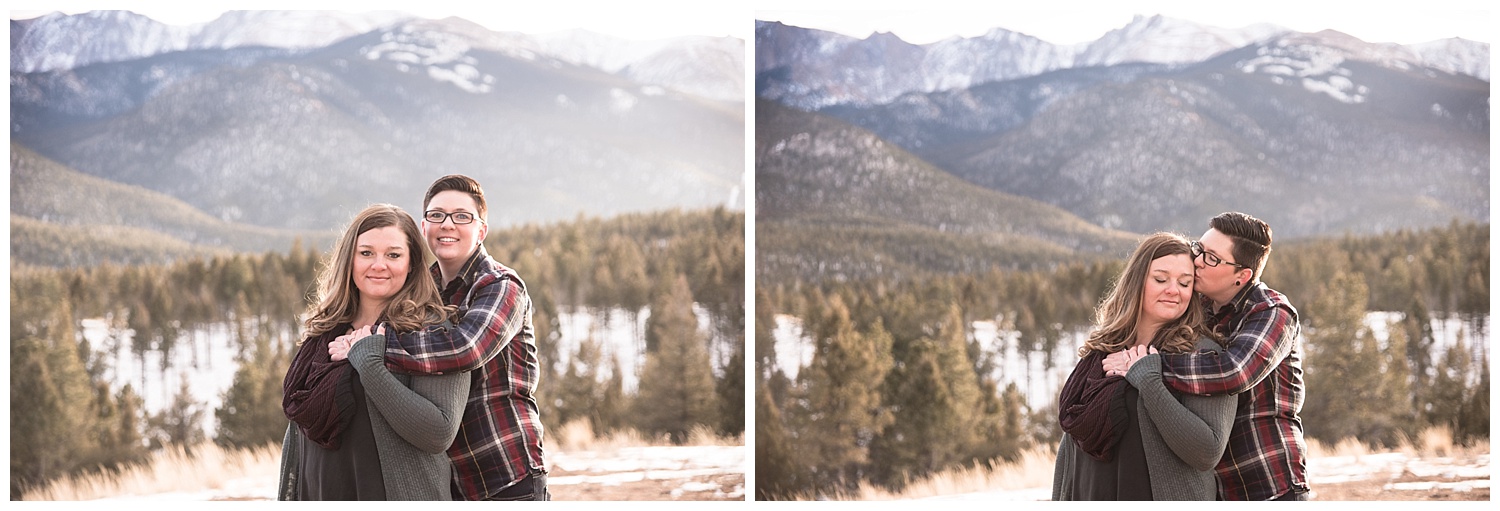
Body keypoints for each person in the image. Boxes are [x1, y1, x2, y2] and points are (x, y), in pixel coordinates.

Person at [340, 174, 549, 500]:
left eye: (462, 216)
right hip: (447, 480)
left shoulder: (500, 285)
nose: (447, 224)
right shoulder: (424, 291)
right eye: (437, 215)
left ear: (481, 231)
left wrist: (373, 348)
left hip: (503, 471)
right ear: (424, 228)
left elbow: (465, 348)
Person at [1103, 211, 1309, 501]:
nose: (1197, 260)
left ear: (1242, 275)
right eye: (1199, 249)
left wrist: (1148, 367)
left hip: (1266, 483)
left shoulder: (1272, 312)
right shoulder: (1199, 307)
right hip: (1212, 489)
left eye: (1211, 258)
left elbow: (1232, 372)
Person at [278, 204, 469, 500]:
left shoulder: (430, 330)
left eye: (393, 255)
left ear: (412, 264)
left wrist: (369, 364)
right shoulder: (324, 332)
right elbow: (299, 434)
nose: (378, 265)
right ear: (349, 260)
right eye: (366, 253)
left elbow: (438, 432)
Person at [1053, 232, 1236, 500]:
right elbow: (1071, 444)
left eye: (1185, 283)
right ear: (1137, 282)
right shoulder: (1102, 351)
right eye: (1161, 279)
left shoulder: (1202, 355)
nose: (1173, 290)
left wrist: (1148, 380)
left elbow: (1207, 451)